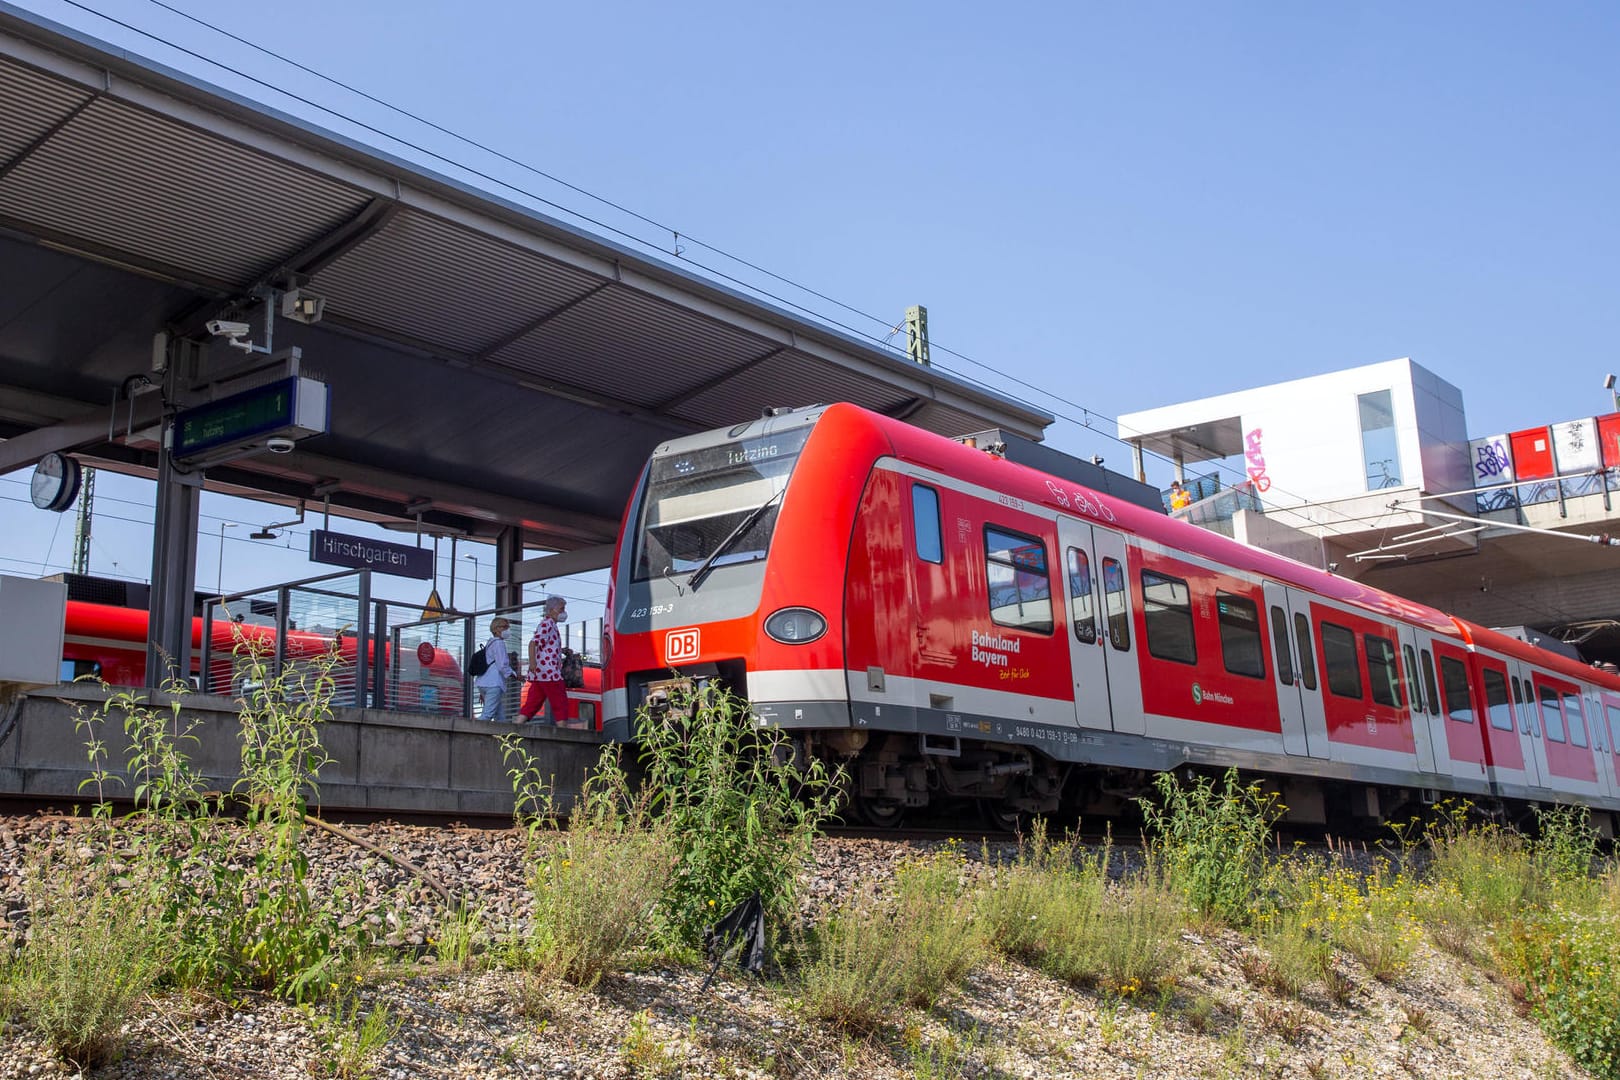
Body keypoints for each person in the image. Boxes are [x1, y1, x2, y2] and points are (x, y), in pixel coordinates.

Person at [519, 595, 569, 725]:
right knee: (560, 700)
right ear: (552, 610)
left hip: (541, 672)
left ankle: (517, 725)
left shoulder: (549, 625)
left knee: (533, 701)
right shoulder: (547, 624)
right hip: (549, 670)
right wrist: (532, 663)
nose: (563, 612)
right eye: (561, 609)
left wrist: (561, 650)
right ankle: (563, 729)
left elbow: (546, 646)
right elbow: (533, 643)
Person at [476, 617, 516, 722]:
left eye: (508, 627)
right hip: (493, 683)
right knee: (487, 715)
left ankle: (503, 736)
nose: (508, 630)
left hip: (484, 683)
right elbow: (502, 665)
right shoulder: (499, 643)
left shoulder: (490, 643)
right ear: (496, 629)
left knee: (500, 716)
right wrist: (515, 676)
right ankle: (467, 730)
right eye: (505, 627)